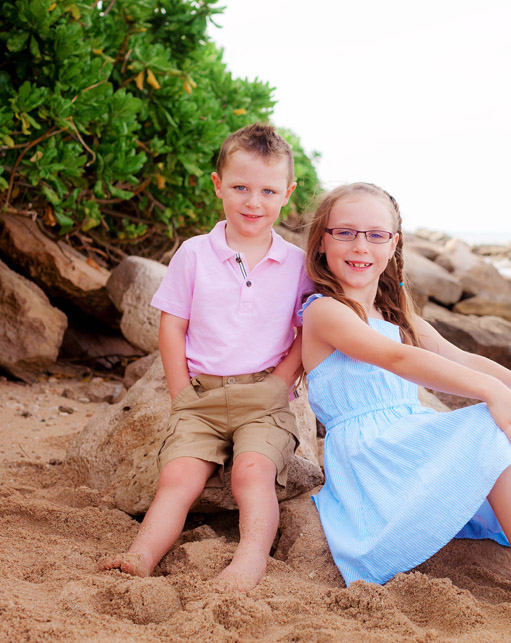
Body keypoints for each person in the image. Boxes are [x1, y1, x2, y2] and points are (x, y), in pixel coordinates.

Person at [299, 182, 511, 621]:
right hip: (377, 462)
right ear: (321, 241)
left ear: (394, 244)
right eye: (345, 232)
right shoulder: (324, 311)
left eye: (375, 235)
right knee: (494, 422)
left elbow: (458, 356)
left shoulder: (395, 313)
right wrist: (493, 394)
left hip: (411, 444)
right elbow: (397, 357)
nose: (360, 246)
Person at [99, 123, 313, 591]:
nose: (252, 202)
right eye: (240, 187)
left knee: (251, 474)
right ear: (218, 186)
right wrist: (180, 393)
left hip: (264, 395)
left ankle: (250, 560)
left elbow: (306, 330)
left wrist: (281, 382)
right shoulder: (194, 253)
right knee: (177, 477)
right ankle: (141, 554)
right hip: (201, 397)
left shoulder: (297, 263)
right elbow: (172, 324)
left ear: (287, 194)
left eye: (267, 190)